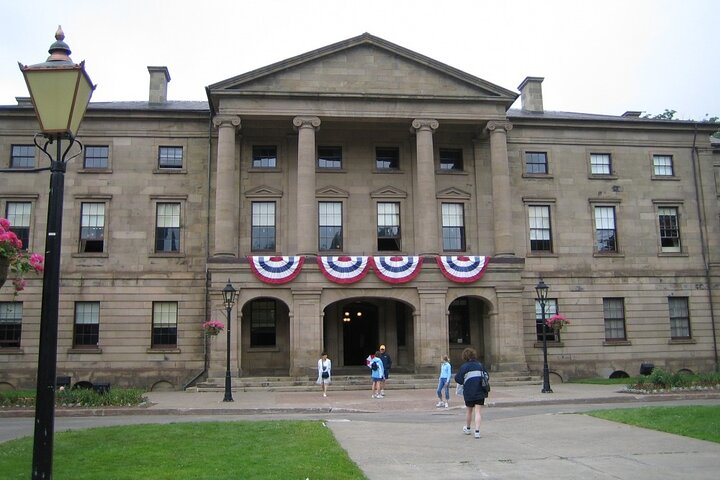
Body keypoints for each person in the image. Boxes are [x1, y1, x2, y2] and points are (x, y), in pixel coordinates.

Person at [454, 347, 489, 439]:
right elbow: (486, 376)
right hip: (480, 391)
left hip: (469, 392)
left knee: (469, 411)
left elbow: (458, 379)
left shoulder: (464, 367)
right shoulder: (480, 365)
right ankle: (477, 431)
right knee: (478, 412)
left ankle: (468, 428)